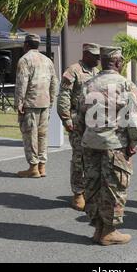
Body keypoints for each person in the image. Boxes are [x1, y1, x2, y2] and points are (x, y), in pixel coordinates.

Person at [78, 46, 137, 246]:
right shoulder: (125, 84)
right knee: (114, 187)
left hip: (90, 143)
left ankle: (98, 228)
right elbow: (131, 119)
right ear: (118, 62)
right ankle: (109, 231)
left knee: (93, 186)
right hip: (114, 144)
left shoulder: (88, 84)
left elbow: (80, 115)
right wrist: (133, 142)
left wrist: (85, 136)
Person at [57, 43, 100, 211]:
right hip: (78, 120)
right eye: (95, 56)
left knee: (93, 157)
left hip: (95, 121)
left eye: (99, 56)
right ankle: (78, 193)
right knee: (79, 158)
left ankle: (90, 189)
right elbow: (64, 96)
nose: (98, 59)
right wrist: (66, 119)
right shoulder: (73, 70)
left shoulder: (97, 72)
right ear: (86, 54)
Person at [14, 34, 59, 178]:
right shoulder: (48, 60)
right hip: (44, 103)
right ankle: (42, 166)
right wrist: (51, 101)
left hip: (30, 104)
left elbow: (22, 83)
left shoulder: (25, 60)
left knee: (30, 135)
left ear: (26, 45)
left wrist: (19, 103)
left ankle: (33, 167)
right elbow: (54, 83)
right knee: (42, 136)